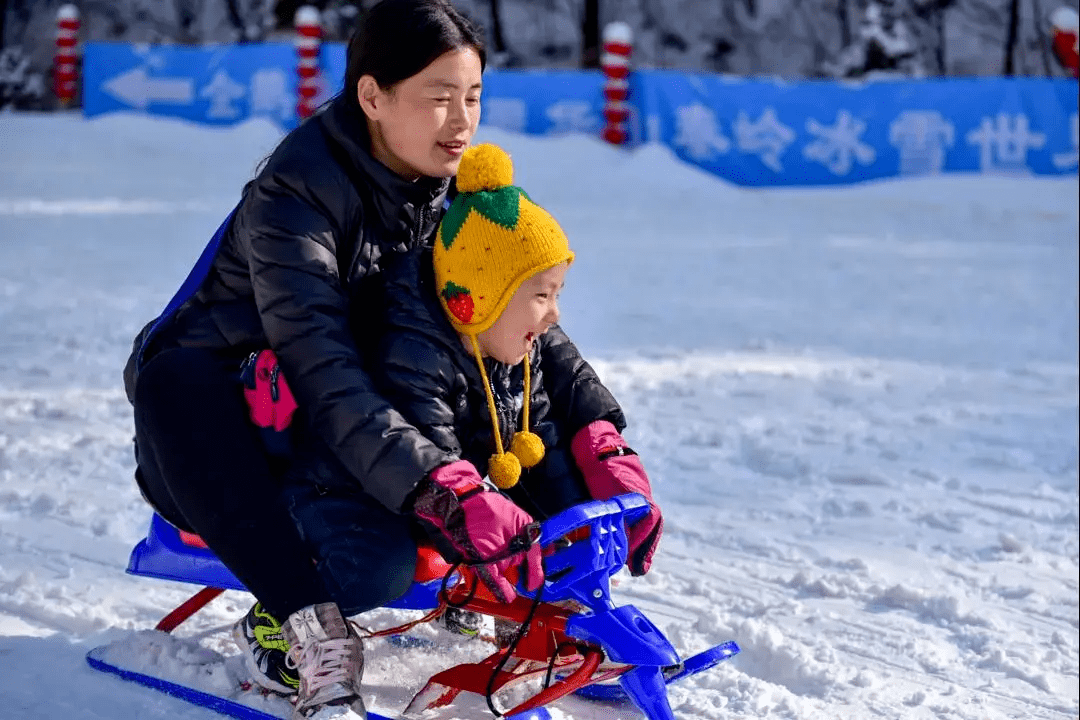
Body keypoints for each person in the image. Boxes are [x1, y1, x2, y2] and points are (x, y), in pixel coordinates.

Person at [121, 1, 626, 718]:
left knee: (485, 434)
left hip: (329, 439)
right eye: (439, 98)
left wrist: (595, 430)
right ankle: (298, 625)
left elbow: (517, 306)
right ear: (372, 96)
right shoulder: (295, 196)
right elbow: (322, 366)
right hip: (224, 441)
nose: (461, 122)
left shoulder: (447, 185)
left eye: (474, 97)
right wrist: (439, 487)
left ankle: (547, 604)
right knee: (180, 378)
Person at [279, 142, 664, 653]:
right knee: (379, 571)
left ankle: (528, 618)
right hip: (347, 496)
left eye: (558, 293)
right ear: (481, 301)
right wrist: (490, 537)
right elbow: (430, 473)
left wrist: (590, 506)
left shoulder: (513, 350)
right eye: (541, 296)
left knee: (549, 510)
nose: (554, 316)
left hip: (430, 495)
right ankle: (278, 617)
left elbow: (542, 450)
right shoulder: (414, 357)